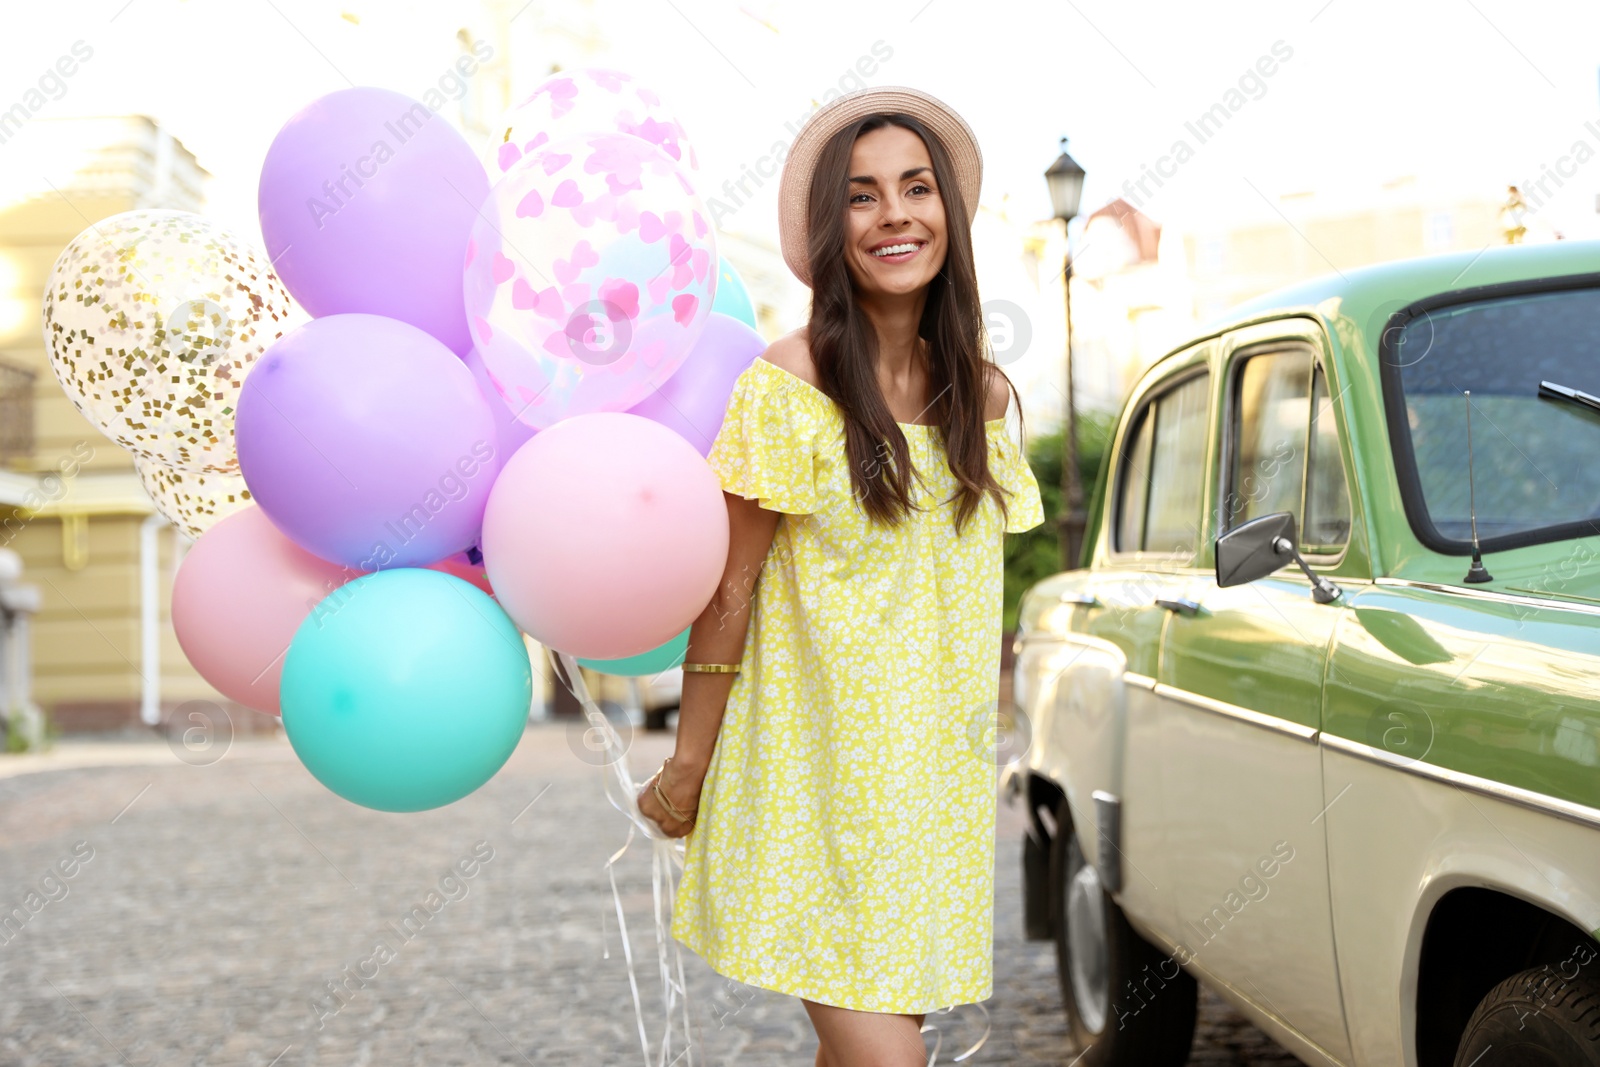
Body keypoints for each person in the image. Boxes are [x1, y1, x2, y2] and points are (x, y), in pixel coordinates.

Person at [636, 85, 1045, 1067]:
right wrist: (690, 763)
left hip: (931, 794)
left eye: (916, 187)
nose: (895, 213)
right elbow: (730, 592)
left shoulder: (980, 397)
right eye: (862, 196)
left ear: (948, 209)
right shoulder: (790, 382)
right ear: (831, 226)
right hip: (812, 782)